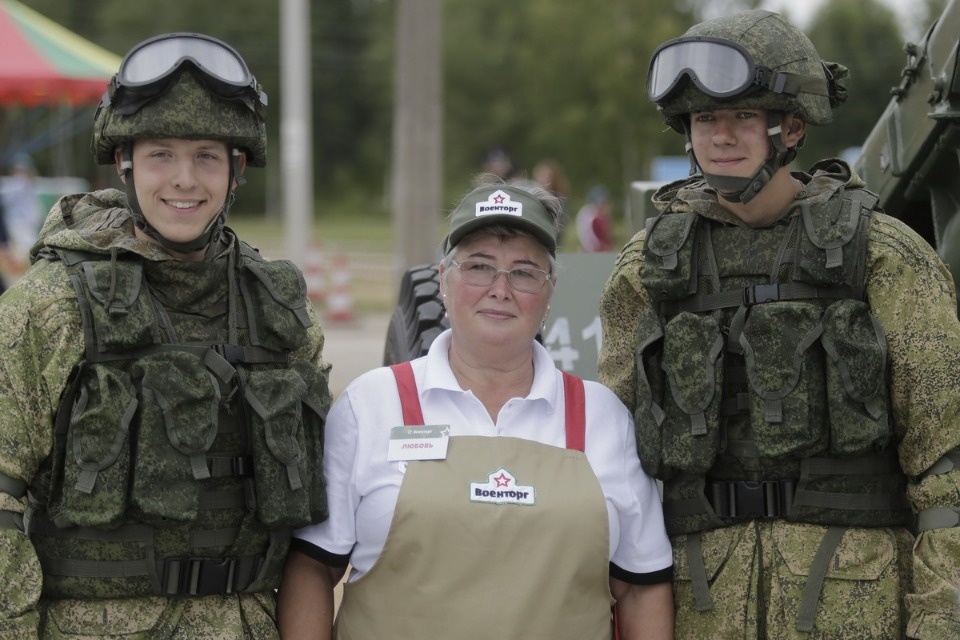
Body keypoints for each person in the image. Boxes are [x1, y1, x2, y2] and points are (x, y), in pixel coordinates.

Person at [598, 9, 960, 640]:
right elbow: (609, 463)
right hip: (699, 608)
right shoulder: (648, 270)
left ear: (791, 128)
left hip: (857, 609)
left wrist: (938, 622)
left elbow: (944, 466)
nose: (721, 136)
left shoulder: (884, 257)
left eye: (742, 116)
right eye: (706, 119)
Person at [0, 32, 331, 637]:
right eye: (161, 155)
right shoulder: (48, 307)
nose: (184, 179)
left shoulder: (279, 312)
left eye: (207, 155)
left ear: (236, 170)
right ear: (124, 163)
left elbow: (324, 517)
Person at [278, 175, 674, 640]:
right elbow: (312, 569)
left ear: (549, 293)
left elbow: (640, 588)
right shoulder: (371, 407)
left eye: (524, 272)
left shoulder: (602, 418)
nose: (499, 289)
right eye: (479, 266)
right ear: (443, 280)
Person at [1, 152, 42, 271]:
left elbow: (4, 197)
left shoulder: (21, 183)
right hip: (22, 223)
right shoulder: (24, 183)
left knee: (24, 252)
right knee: (24, 252)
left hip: (22, 223)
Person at [576, 184, 615, 252]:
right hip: (593, 251)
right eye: (603, 203)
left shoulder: (602, 218)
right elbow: (592, 241)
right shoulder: (592, 216)